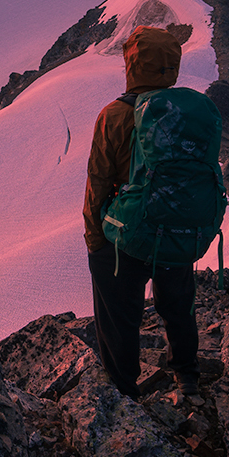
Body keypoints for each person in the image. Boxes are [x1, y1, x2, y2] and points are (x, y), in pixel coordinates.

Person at [83, 24, 201, 399]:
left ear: (132, 65)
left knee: (120, 316)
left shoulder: (114, 115)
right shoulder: (188, 112)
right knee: (178, 307)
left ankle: (124, 392)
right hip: (176, 230)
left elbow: (99, 182)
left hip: (126, 237)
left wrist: (95, 241)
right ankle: (188, 379)